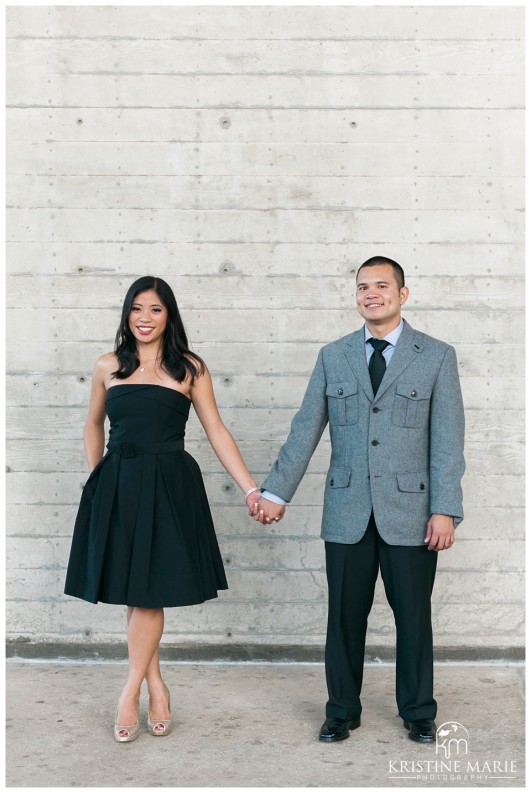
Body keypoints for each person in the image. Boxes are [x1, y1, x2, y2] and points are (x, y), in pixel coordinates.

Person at [252, 256, 465, 744]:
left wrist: (445, 508)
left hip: (412, 512)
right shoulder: (334, 355)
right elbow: (306, 427)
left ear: (403, 294)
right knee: (344, 616)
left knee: (413, 615)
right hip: (347, 511)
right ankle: (341, 710)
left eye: (382, 286)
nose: (372, 294)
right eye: (363, 287)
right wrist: (275, 492)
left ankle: (418, 711)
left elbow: (448, 440)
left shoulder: (436, 355)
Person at [64, 276, 262, 742]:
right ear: (126, 315)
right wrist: (99, 478)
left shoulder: (189, 368)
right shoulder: (107, 365)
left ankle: (128, 692)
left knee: (148, 591)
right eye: (136, 308)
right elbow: (93, 425)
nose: (144, 318)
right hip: (118, 483)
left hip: (171, 485)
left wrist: (251, 488)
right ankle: (157, 686)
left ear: (168, 315)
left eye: (154, 309)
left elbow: (216, 430)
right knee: (136, 591)